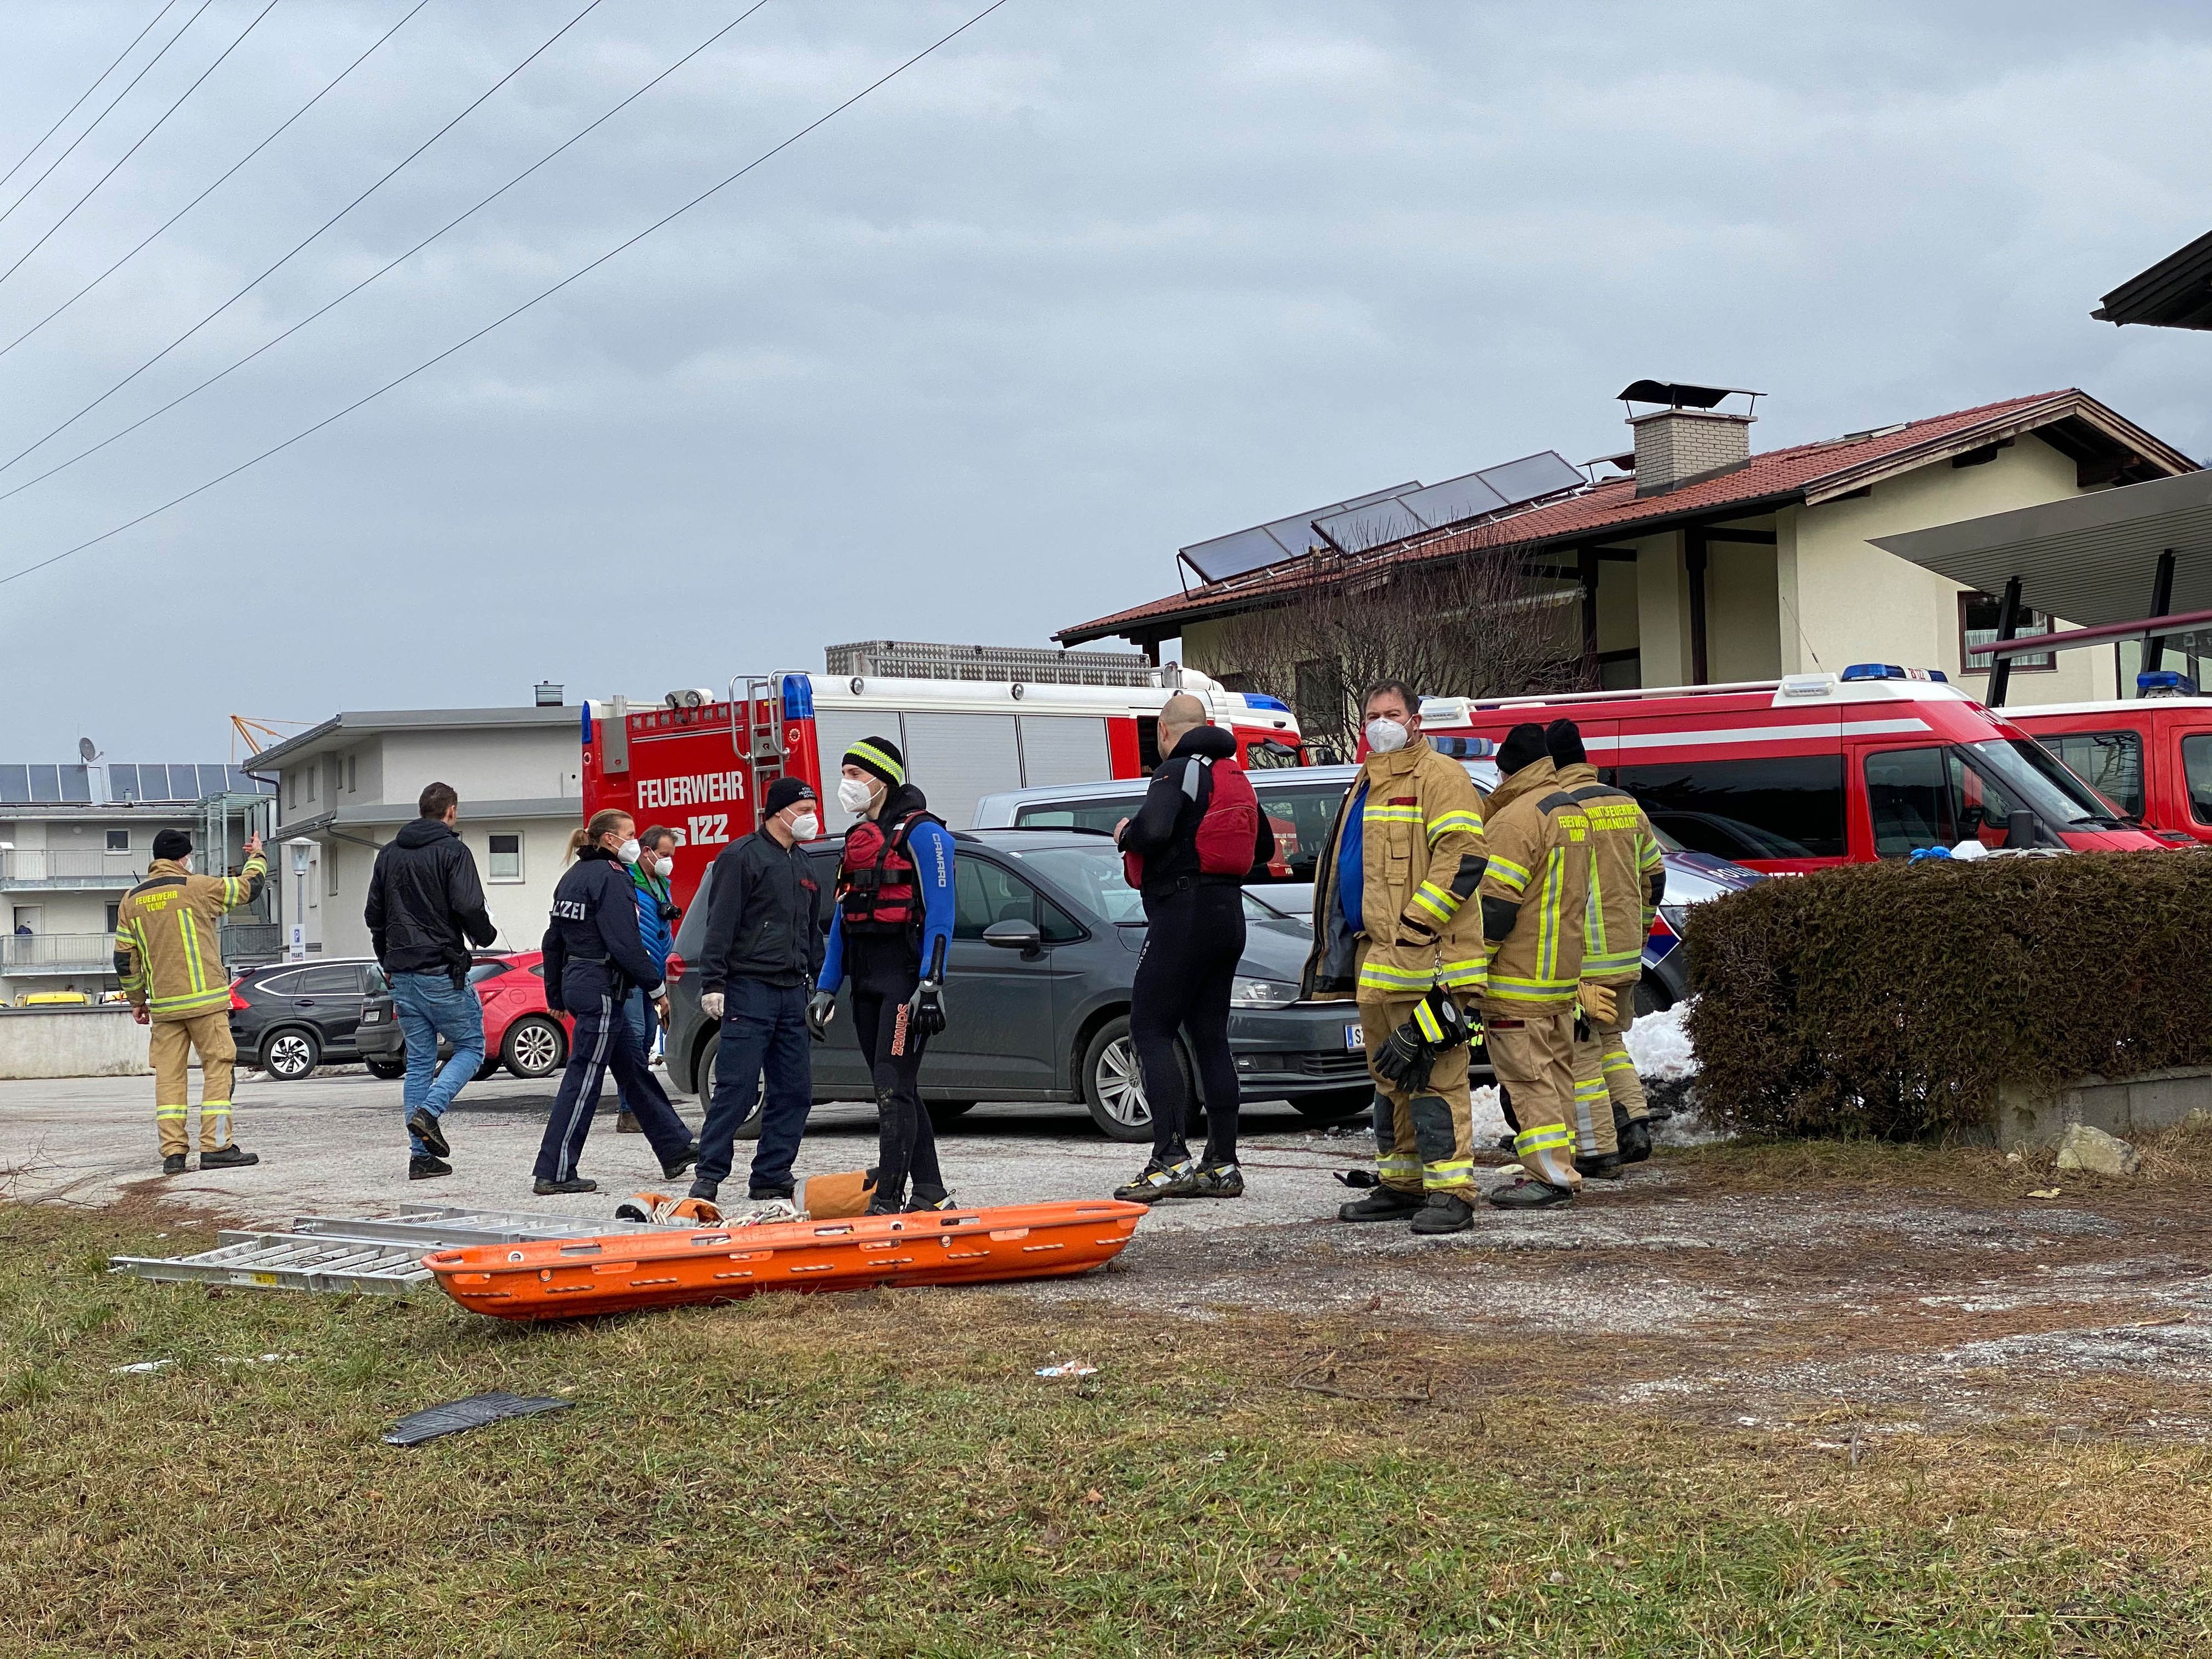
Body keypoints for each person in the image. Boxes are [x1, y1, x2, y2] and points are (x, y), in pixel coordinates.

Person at [1302, 680, 1490, 1234]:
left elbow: (1464, 859)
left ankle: (1452, 1192)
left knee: (1434, 1079)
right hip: (1376, 960)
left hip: (1427, 958)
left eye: (1392, 713)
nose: (1381, 723)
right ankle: (1402, 1185)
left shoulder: (1440, 778)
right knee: (1389, 1079)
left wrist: (1416, 922)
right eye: (1372, 715)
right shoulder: (1366, 780)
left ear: (1416, 721)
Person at [1112, 693, 1275, 1202]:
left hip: (1182, 912)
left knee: (1149, 1026)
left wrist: (1126, 834)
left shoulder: (1176, 771)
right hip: (1229, 913)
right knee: (1210, 1035)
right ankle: (1222, 1162)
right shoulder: (1234, 775)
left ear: (1165, 732)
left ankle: (1169, 1157)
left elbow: (1155, 829)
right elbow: (1265, 848)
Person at [814, 737, 957, 1214]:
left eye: (856, 774)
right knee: (898, 1088)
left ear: (882, 778)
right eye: (845, 773)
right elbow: (842, 919)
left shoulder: (925, 835)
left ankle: (889, 1200)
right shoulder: (859, 842)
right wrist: (826, 987)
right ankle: (930, 1190)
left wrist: (930, 984)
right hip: (866, 984)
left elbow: (941, 915)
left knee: (891, 1088)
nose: (847, 783)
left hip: (905, 983)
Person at [534, 809, 699, 1196]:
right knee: (585, 1077)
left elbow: (553, 940)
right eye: (630, 834)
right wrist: (657, 990)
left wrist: (556, 993)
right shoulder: (611, 878)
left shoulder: (572, 878)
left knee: (633, 1069)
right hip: (602, 986)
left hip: (582, 982)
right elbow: (625, 942)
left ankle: (675, 1148)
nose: (633, 840)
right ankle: (555, 1170)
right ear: (610, 839)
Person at [1475, 722, 1593, 1209]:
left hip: (1518, 977)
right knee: (1556, 1074)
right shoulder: (1571, 811)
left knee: (1528, 1080)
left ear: (1506, 770)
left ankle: (1549, 1176)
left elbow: (1497, 906)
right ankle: (1562, 1162)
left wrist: (1469, 964)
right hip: (1560, 976)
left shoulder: (1515, 820)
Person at [690, 779, 824, 1204]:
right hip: (749, 989)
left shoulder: (803, 865)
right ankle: (709, 1175)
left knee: (795, 1090)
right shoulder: (742, 857)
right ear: (779, 812)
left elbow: (811, 933)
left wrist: (821, 988)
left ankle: (771, 1174)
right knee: (737, 1087)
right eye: (803, 808)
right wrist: (713, 983)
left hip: (792, 992)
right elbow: (721, 924)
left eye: (811, 807)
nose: (809, 816)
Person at [1545, 718, 1665, 1173]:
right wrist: (1640, 927)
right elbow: (1656, 877)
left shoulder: (1563, 808)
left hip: (1582, 957)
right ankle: (1635, 1123)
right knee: (1611, 1039)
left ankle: (1597, 1151)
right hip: (1624, 953)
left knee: (1583, 1050)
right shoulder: (1627, 805)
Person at [365, 782, 501, 1180]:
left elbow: (374, 914)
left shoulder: (388, 854)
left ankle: (420, 1157)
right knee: (473, 1048)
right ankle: (430, 1112)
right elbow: (468, 904)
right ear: (452, 812)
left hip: (401, 973)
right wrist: (486, 935)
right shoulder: (453, 851)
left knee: (421, 1060)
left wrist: (386, 958)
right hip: (440, 969)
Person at [113, 828, 268, 1174]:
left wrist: (138, 999)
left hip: (165, 1009)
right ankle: (216, 1147)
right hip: (207, 1003)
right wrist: (256, 856)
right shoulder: (197, 887)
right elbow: (248, 889)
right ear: (184, 858)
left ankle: (173, 1154)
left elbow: (124, 959)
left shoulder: (130, 900)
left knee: (169, 1078)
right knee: (218, 1069)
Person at [614, 824, 681, 1136]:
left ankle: (636, 1107)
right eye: (664, 854)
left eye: (672, 854)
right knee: (636, 1039)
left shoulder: (662, 883)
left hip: (656, 972)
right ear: (647, 852)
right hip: (632, 973)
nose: (669, 860)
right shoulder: (628, 881)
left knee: (647, 1039)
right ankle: (630, 1110)